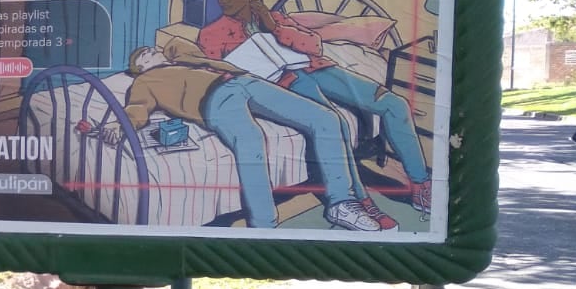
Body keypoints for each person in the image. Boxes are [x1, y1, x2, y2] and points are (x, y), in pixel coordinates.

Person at [197, 0, 431, 218]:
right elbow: (224, 75)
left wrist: (275, 28)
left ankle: (421, 183)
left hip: (318, 67)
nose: (223, 0)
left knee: (395, 104)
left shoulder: (274, 17)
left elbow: (315, 45)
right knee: (336, 123)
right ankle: (360, 198)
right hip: (284, 80)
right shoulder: (210, 34)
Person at [101, 39, 390, 232]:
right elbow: (137, 108)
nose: (153, 50)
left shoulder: (188, 58)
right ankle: (264, 226)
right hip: (214, 100)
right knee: (251, 142)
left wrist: (171, 53)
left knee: (326, 118)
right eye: (146, 54)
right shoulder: (145, 80)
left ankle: (340, 203)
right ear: (138, 68)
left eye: (153, 49)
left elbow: (182, 45)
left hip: (245, 81)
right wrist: (120, 125)